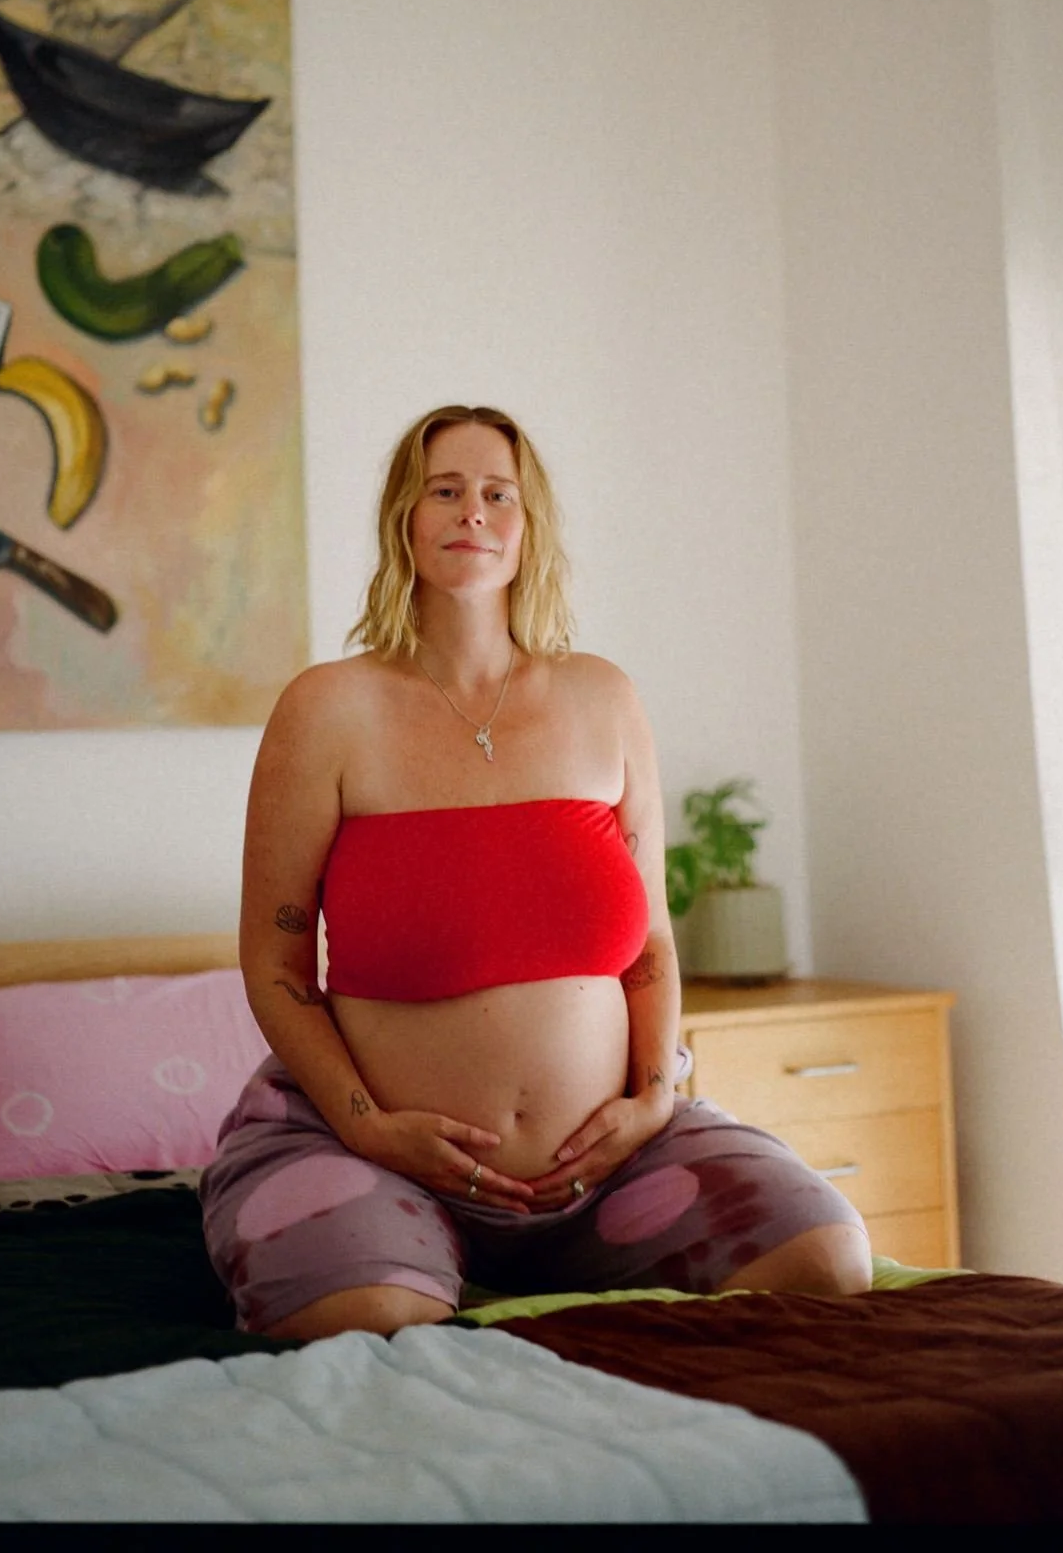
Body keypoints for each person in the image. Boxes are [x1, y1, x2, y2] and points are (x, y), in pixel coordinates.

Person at [202, 403, 871, 1339]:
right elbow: (275, 964)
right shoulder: (328, 710)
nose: (470, 511)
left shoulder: (604, 699)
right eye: (444, 490)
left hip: (613, 1167)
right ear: (404, 516)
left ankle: (568, 1249)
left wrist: (653, 1096)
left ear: (528, 527)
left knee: (825, 1259)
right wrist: (362, 1124)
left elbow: (650, 947)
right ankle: (408, 1247)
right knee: (370, 1318)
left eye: (495, 494)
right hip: (378, 1151)